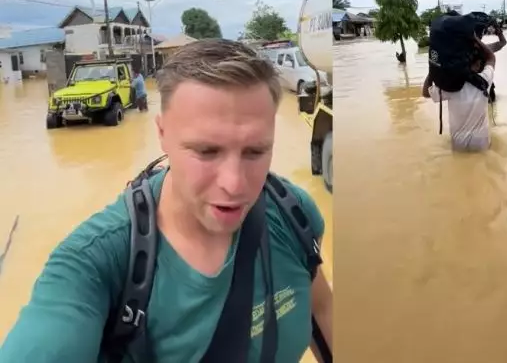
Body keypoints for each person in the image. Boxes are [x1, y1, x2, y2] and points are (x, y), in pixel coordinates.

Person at [1, 39, 333, 363]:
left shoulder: (293, 213)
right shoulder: (94, 264)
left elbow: (320, 309)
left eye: (256, 151)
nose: (234, 185)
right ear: (162, 134)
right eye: (206, 151)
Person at [422, 37, 496, 151]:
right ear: (478, 64)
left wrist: (433, 69)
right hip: (481, 142)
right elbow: (491, 57)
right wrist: (474, 37)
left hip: (458, 143)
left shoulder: (449, 85)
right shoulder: (485, 80)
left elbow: (426, 93)